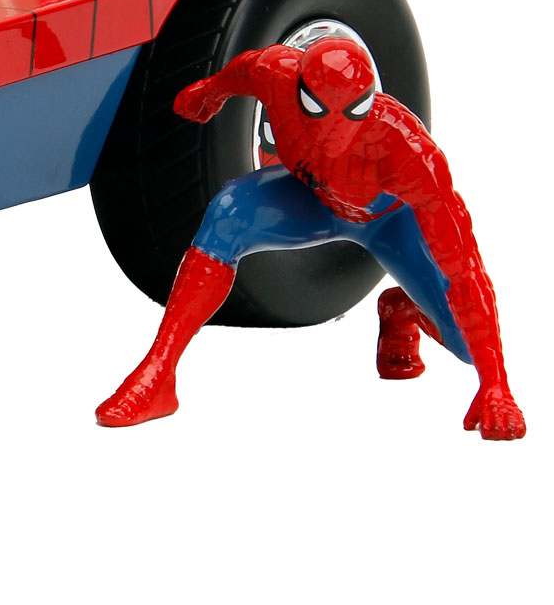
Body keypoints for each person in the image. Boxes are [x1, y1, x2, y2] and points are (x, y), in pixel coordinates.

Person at [96, 35, 526, 440]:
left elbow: (464, 268)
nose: (332, 131)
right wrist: (210, 92)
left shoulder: (409, 152)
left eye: (352, 112)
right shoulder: (275, 73)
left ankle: (403, 308)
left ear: (370, 102)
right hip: (314, 201)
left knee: (468, 347)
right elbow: (243, 70)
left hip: (389, 222)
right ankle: (159, 372)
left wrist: (496, 385)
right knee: (228, 212)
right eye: (316, 108)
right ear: (297, 86)